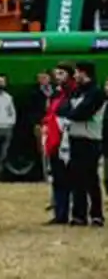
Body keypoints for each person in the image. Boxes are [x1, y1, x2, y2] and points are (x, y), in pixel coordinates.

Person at [56, 61, 105, 226]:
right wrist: (70, 113)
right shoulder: (76, 92)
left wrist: (70, 114)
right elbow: (62, 109)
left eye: (77, 73)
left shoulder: (97, 93)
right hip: (74, 138)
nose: (75, 76)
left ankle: (97, 214)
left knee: (90, 178)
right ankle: (79, 215)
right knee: (76, 178)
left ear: (85, 73)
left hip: (90, 139)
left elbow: (82, 112)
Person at [43, 63, 74, 225]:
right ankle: (60, 213)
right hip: (55, 140)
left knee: (72, 179)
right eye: (57, 74)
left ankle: (76, 213)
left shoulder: (73, 94)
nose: (58, 77)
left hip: (69, 140)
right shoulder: (56, 94)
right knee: (58, 178)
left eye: (61, 73)